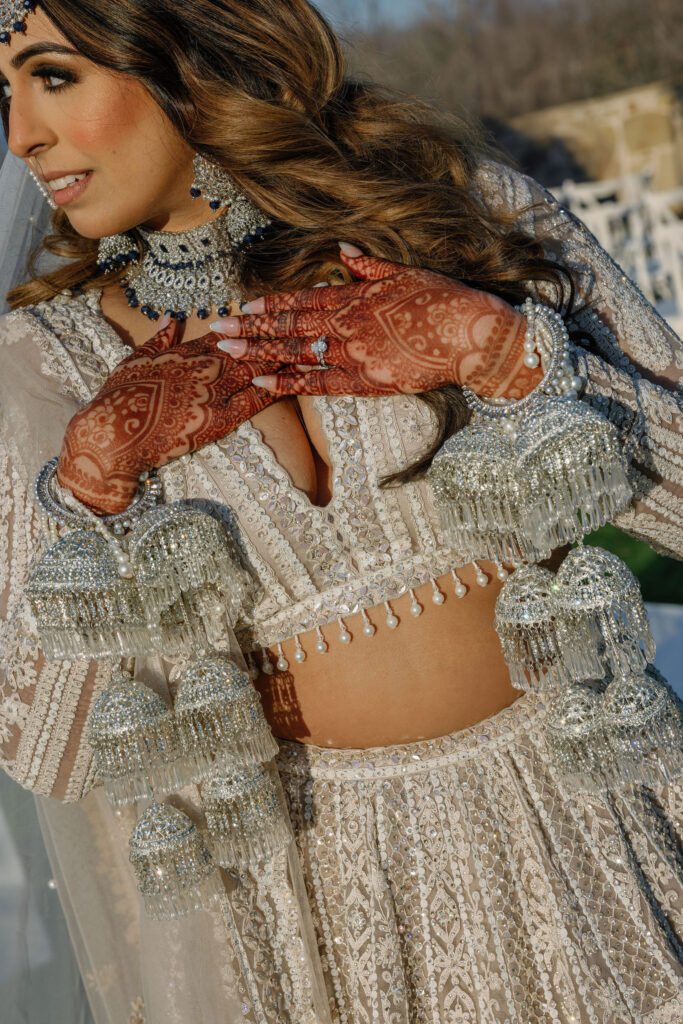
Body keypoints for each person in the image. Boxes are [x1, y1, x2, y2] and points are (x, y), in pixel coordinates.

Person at [0, 1, 682, 1022]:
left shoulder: (450, 214)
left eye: (52, 77)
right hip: (323, 904)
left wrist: (507, 358)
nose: (21, 135)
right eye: (2, 94)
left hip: (582, 816)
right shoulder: (47, 367)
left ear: (185, 52)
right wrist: (91, 484)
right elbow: (40, 743)